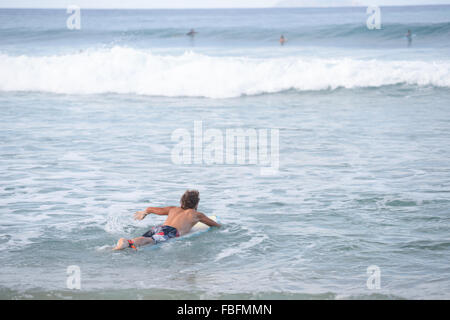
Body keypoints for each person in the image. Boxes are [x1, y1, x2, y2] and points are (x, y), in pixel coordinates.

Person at [113, 190, 220, 250]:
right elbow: (214, 224)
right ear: (196, 203)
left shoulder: (173, 209)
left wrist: (144, 213)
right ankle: (127, 242)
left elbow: (152, 209)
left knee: (146, 238)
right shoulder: (197, 215)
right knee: (151, 240)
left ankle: (128, 243)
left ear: (181, 201)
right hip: (171, 231)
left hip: (160, 228)